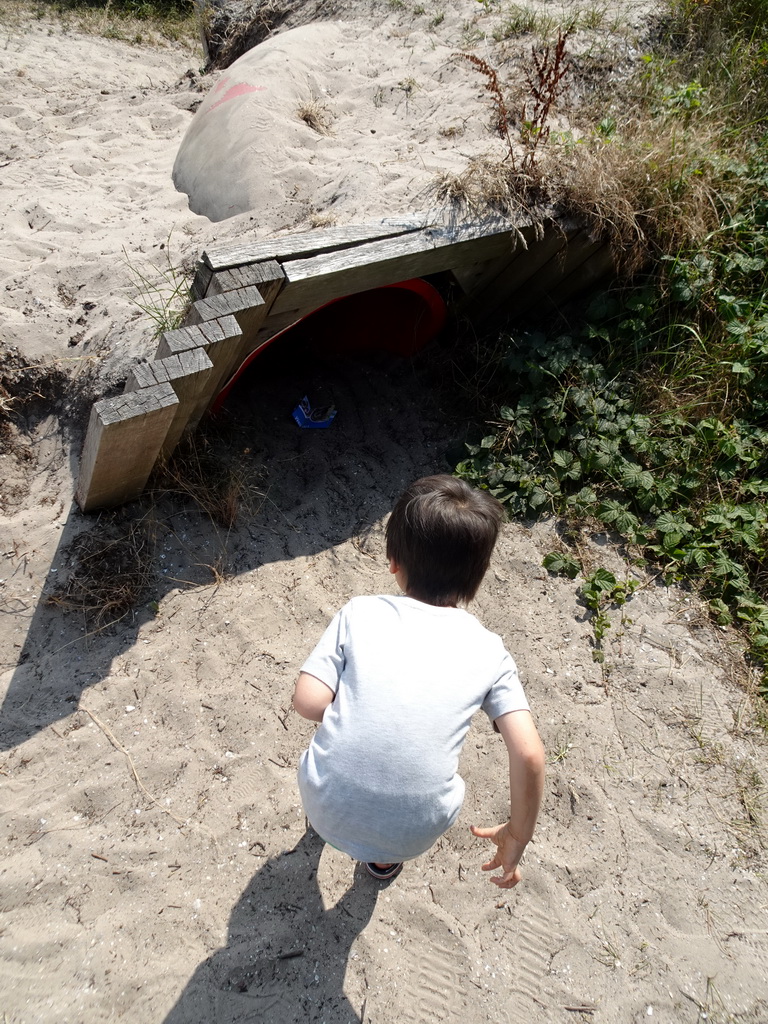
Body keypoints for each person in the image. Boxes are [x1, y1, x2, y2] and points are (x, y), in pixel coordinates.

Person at [293, 474, 545, 887]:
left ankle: (332, 823)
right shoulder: (490, 651)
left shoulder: (361, 613)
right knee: (404, 821)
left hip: (325, 805)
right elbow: (530, 755)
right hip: (413, 832)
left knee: (331, 776)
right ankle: (383, 862)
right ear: (477, 577)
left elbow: (308, 702)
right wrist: (518, 833)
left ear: (393, 560)